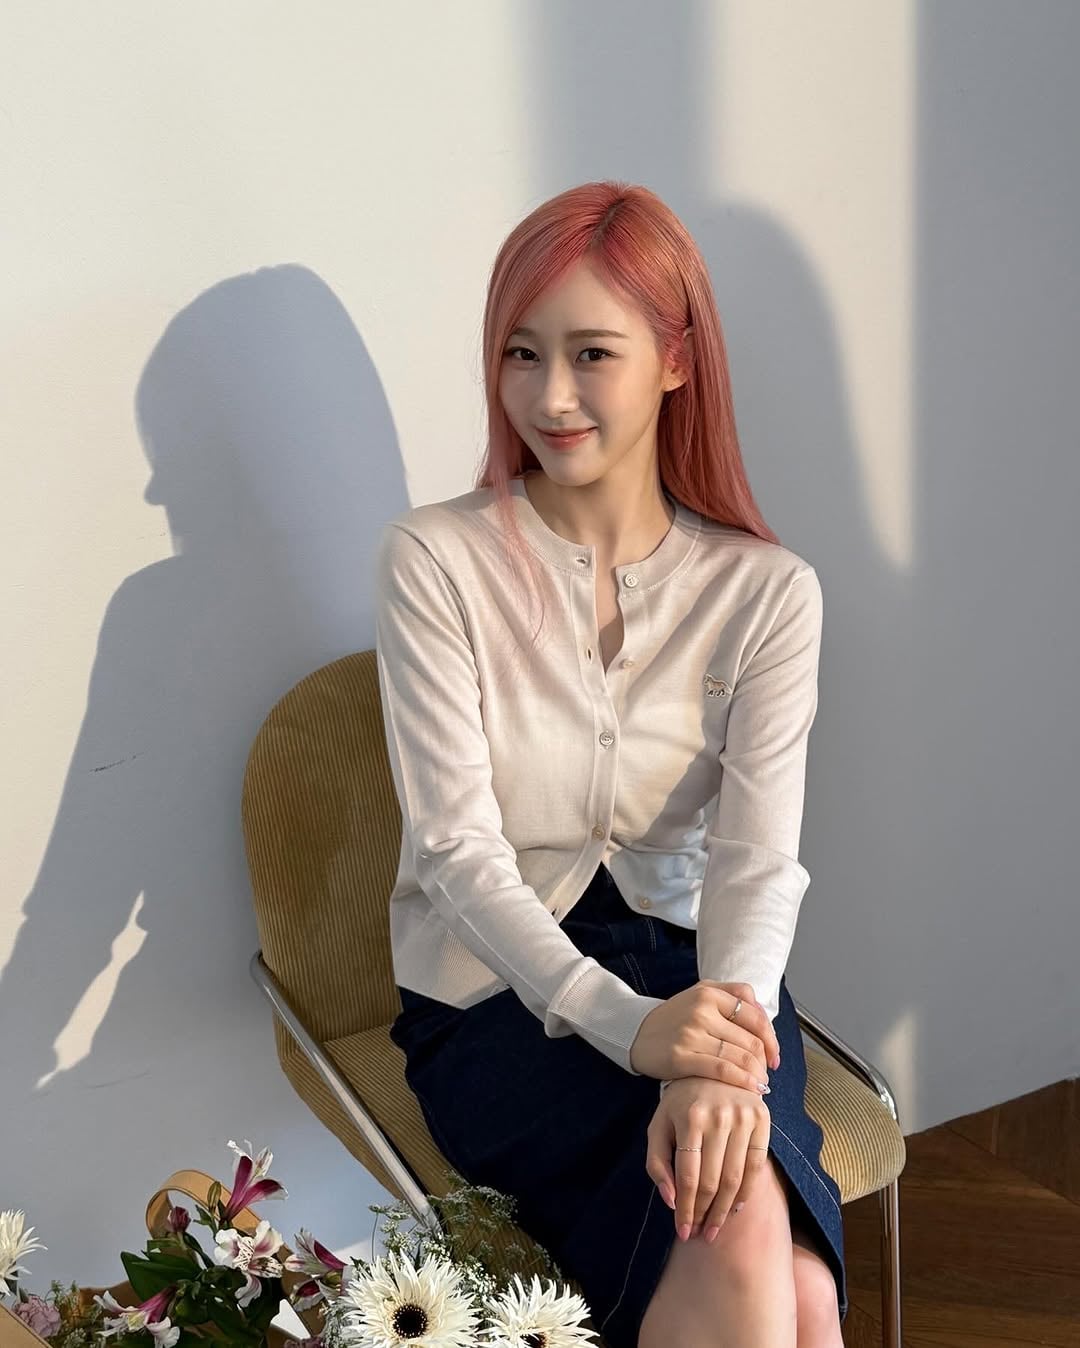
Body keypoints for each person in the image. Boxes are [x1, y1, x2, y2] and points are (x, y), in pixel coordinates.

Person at [377, 180, 846, 1347]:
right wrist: (633, 1028)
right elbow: (455, 852)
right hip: (494, 995)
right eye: (521, 353)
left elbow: (755, 862)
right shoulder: (436, 560)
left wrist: (713, 1058)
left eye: (592, 352)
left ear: (677, 359)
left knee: (784, 1274)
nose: (549, 395)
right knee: (759, 1250)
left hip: (708, 970)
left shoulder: (767, 592)